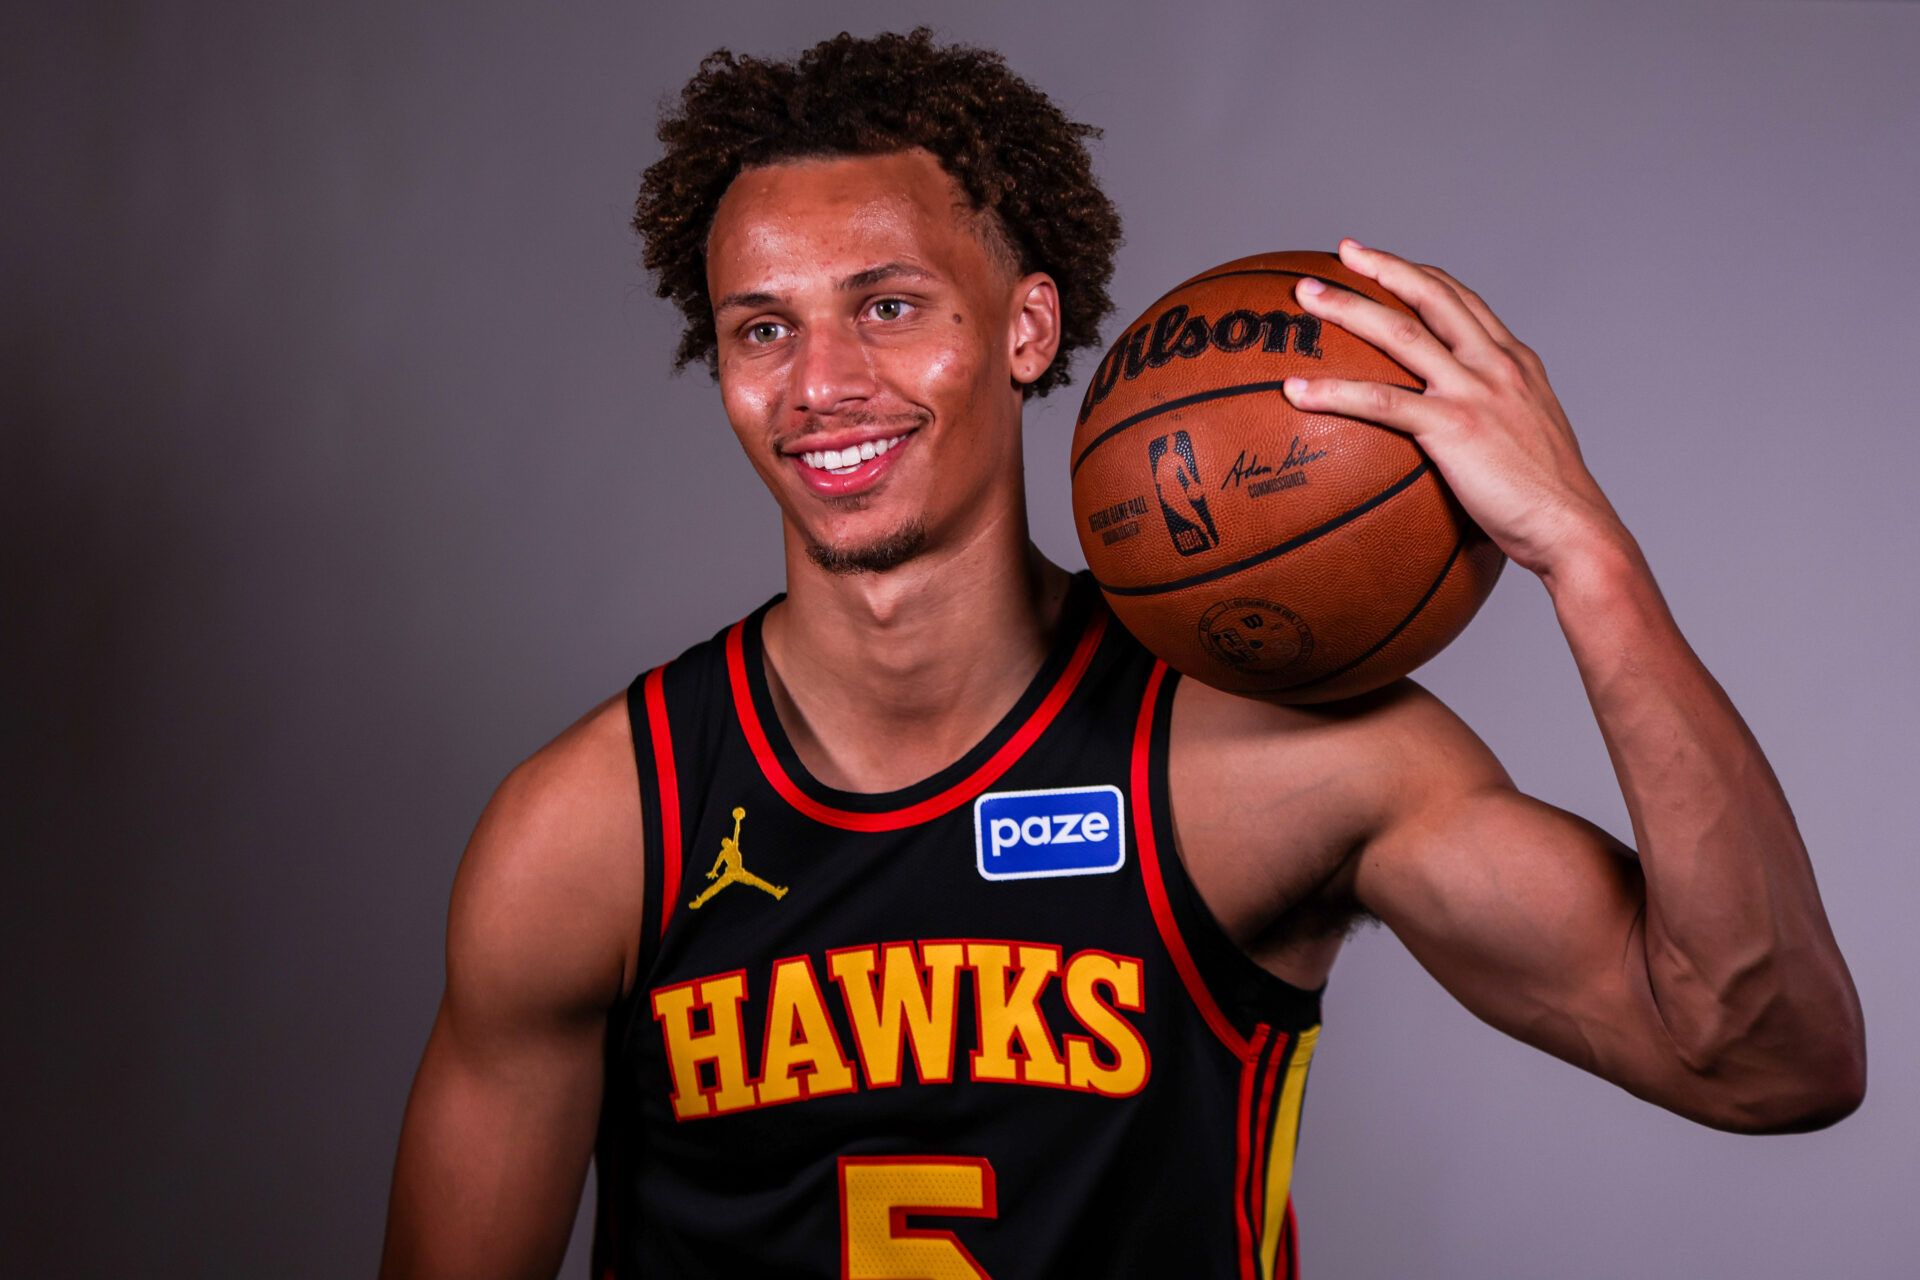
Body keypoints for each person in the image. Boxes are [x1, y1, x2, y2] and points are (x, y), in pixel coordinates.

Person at [378, 28, 1865, 1280]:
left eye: (889, 308)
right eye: (762, 331)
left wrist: (1586, 559)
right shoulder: (596, 833)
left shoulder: (1269, 763)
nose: (823, 385)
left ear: (1029, 328)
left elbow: (1769, 1056)